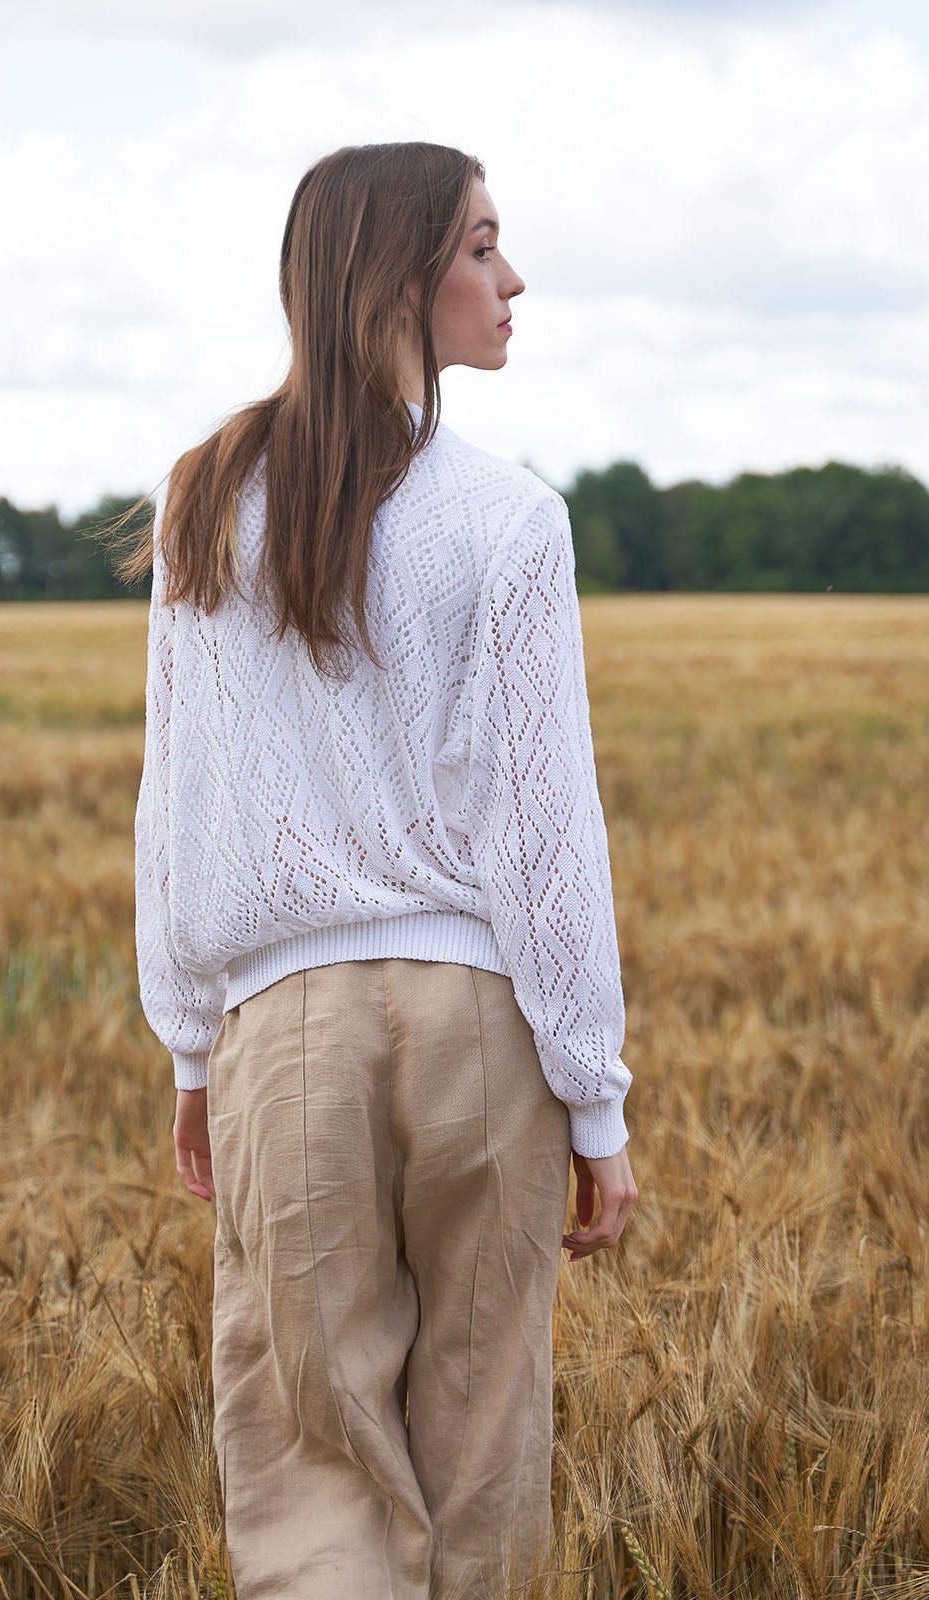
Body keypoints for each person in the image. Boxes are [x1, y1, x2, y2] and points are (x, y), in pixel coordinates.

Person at [129, 141, 637, 1600]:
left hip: (281, 1037)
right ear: (401, 278)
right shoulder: (511, 521)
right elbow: (549, 834)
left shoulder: (202, 500)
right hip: (482, 1035)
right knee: (482, 1466)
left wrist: (191, 1054)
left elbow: (179, 805)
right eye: (483, 245)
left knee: (310, 1470)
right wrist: (592, 1094)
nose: (512, 275)